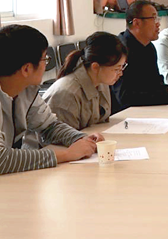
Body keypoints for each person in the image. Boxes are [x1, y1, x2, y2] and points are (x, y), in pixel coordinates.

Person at [0, 25, 104, 175]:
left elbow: (49, 127)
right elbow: (2, 159)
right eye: (45, 59)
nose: (45, 65)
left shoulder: (25, 90)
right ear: (26, 69)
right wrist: (66, 154)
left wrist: (82, 140)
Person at [112, 0, 168, 111]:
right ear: (137, 23)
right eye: (154, 18)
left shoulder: (149, 47)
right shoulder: (120, 50)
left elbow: (155, 84)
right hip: (123, 115)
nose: (158, 23)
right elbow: (125, 97)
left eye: (158, 18)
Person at [44, 32, 127, 130]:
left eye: (122, 67)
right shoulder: (66, 95)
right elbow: (64, 137)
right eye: (117, 69)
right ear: (95, 67)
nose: (120, 73)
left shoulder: (101, 82)